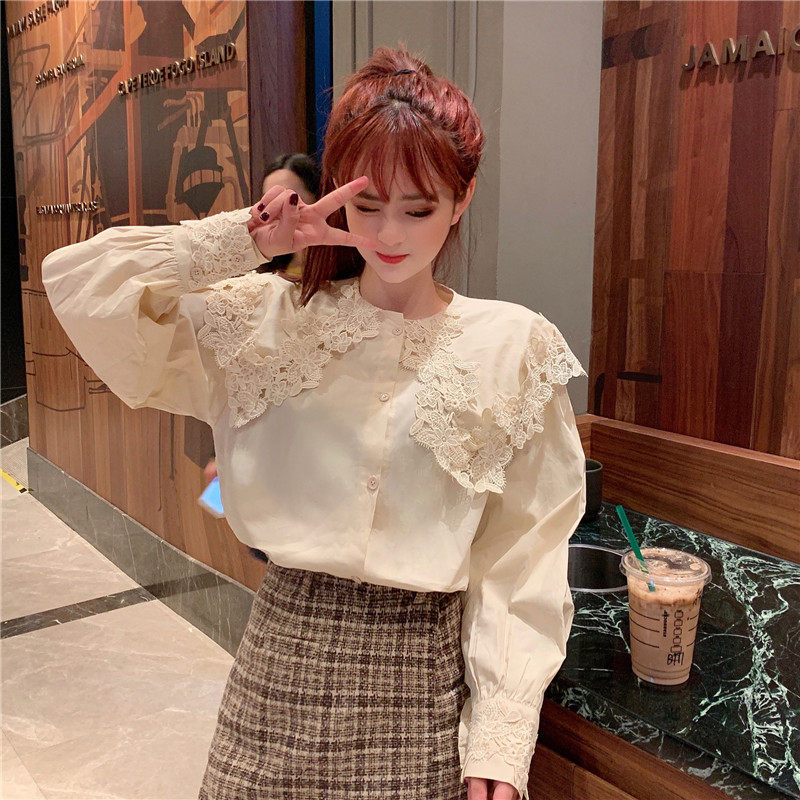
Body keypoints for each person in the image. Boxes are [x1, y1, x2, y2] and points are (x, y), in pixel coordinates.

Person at [40, 43, 587, 800]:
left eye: (419, 209)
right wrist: (250, 239)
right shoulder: (264, 321)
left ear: (461, 200)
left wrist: (501, 731)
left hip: (418, 685)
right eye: (367, 205)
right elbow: (81, 284)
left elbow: (523, 552)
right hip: (277, 667)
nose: (389, 235)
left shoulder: (512, 347)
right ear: (336, 194)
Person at [203, 153, 321, 567]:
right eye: (268, 202)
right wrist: (223, 455)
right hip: (268, 475)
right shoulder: (257, 290)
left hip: (326, 477)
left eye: (293, 199)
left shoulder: (356, 289)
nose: (280, 212)